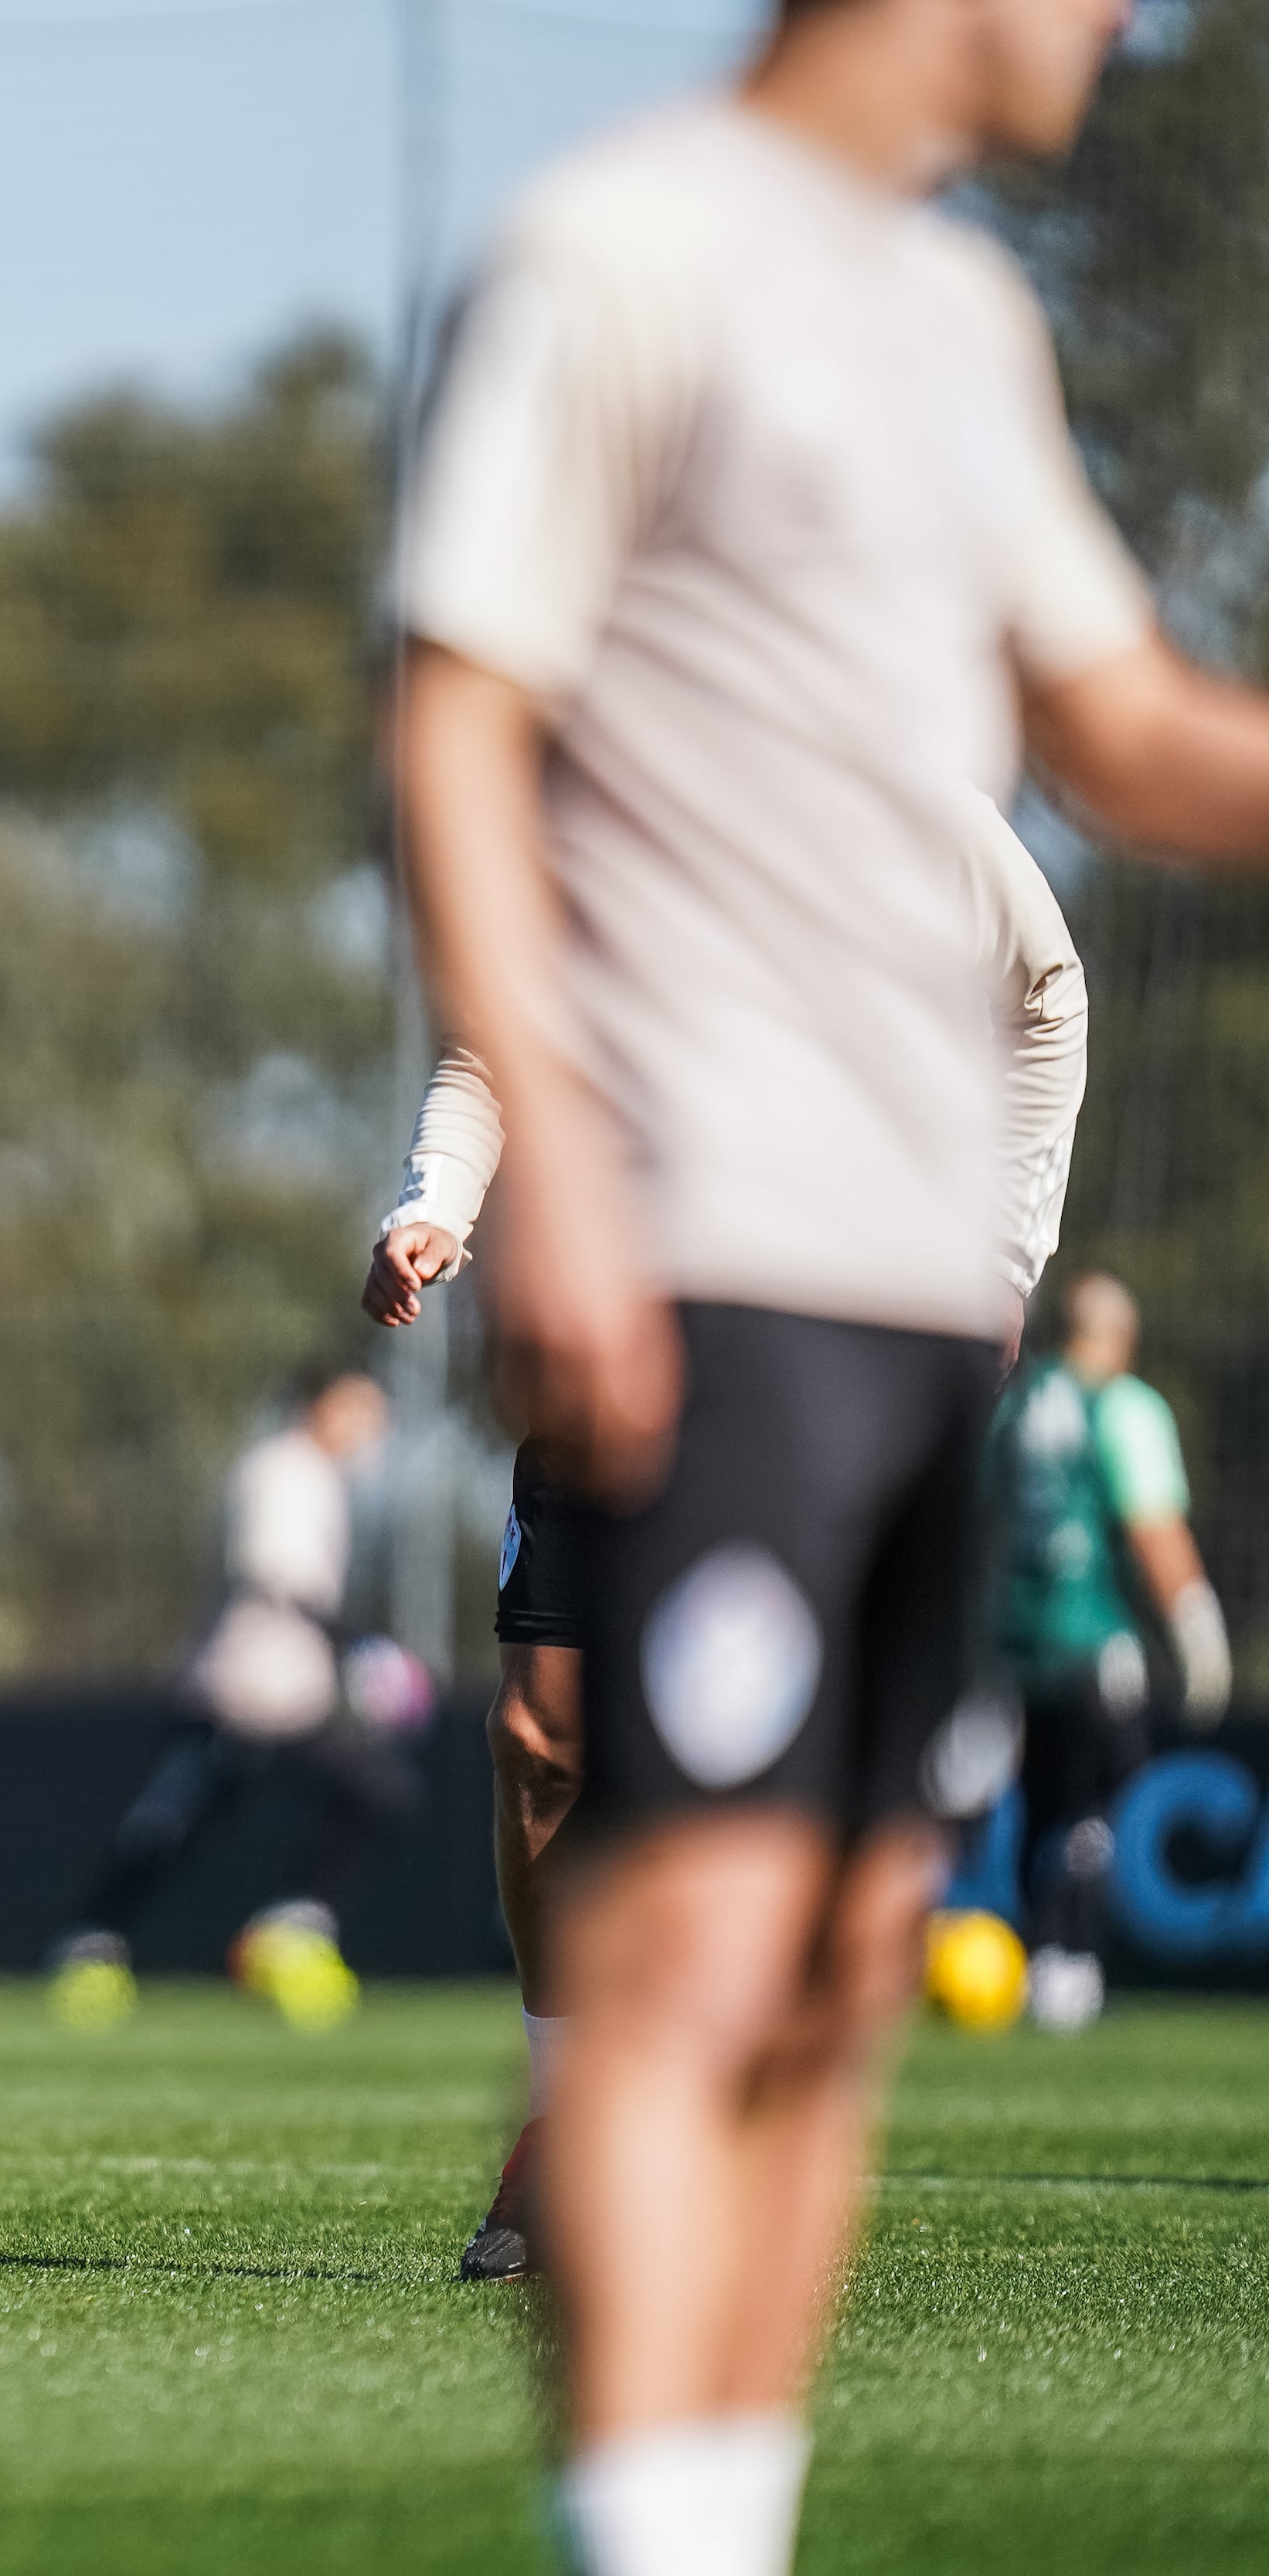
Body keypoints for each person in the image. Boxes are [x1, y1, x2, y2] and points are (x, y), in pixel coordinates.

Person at [400, 0, 1269, 2561]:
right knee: (688, 1947)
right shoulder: (619, 248)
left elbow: (1115, 726)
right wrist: (550, 1168)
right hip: (720, 1254)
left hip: (922, 1308)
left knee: (854, 1959)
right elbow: (455, 724)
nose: (1111, 20)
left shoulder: (961, 320)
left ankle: (722, 2515)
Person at [366, 784, 1087, 2280]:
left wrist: (1003, 1256)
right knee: (542, 1735)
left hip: (833, 1314)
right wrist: (440, 1194)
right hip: (622, 1308)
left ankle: (753, 2122)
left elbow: (1045, 992)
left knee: (791, 1751)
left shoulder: (888, 775)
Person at [45, 1369, 427, 2031]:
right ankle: (90, 1940)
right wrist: (358, 1645)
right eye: (358, 1409)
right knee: (171, 1828)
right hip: (236, 1690)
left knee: (379, 1794)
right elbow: (276, 1572)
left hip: (295, 1696)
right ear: (318, 1407)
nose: (371, 1428)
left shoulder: (321, 1479)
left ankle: (290, 1929)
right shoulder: (280, 1470)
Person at [990, 1271, 1226, 2033]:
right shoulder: (1121, 1407)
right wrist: (1194, 1625)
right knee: (1096, 1806)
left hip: (1012, 1644)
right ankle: (1067, 1958)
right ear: (1115, 1338)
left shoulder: (1014, 1406)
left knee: (1037, 1798)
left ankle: (1035, 1957)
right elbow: (1152, 1528)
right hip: (1094, 1640)